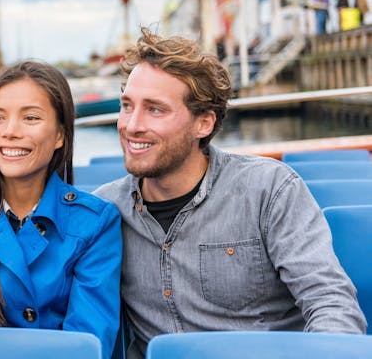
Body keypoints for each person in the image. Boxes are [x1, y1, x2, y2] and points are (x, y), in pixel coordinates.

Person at [94, 28, 367, 359]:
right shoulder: (105, 211)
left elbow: (329, 302)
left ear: (204, 124)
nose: (131, 125)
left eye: (155, 109)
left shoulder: (269, 189)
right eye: (127, 106)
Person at [0, 61, 122, 359]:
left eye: (30, 118)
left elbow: (88, 342)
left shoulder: (96, 223)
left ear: (60, 135)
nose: (10, 132)